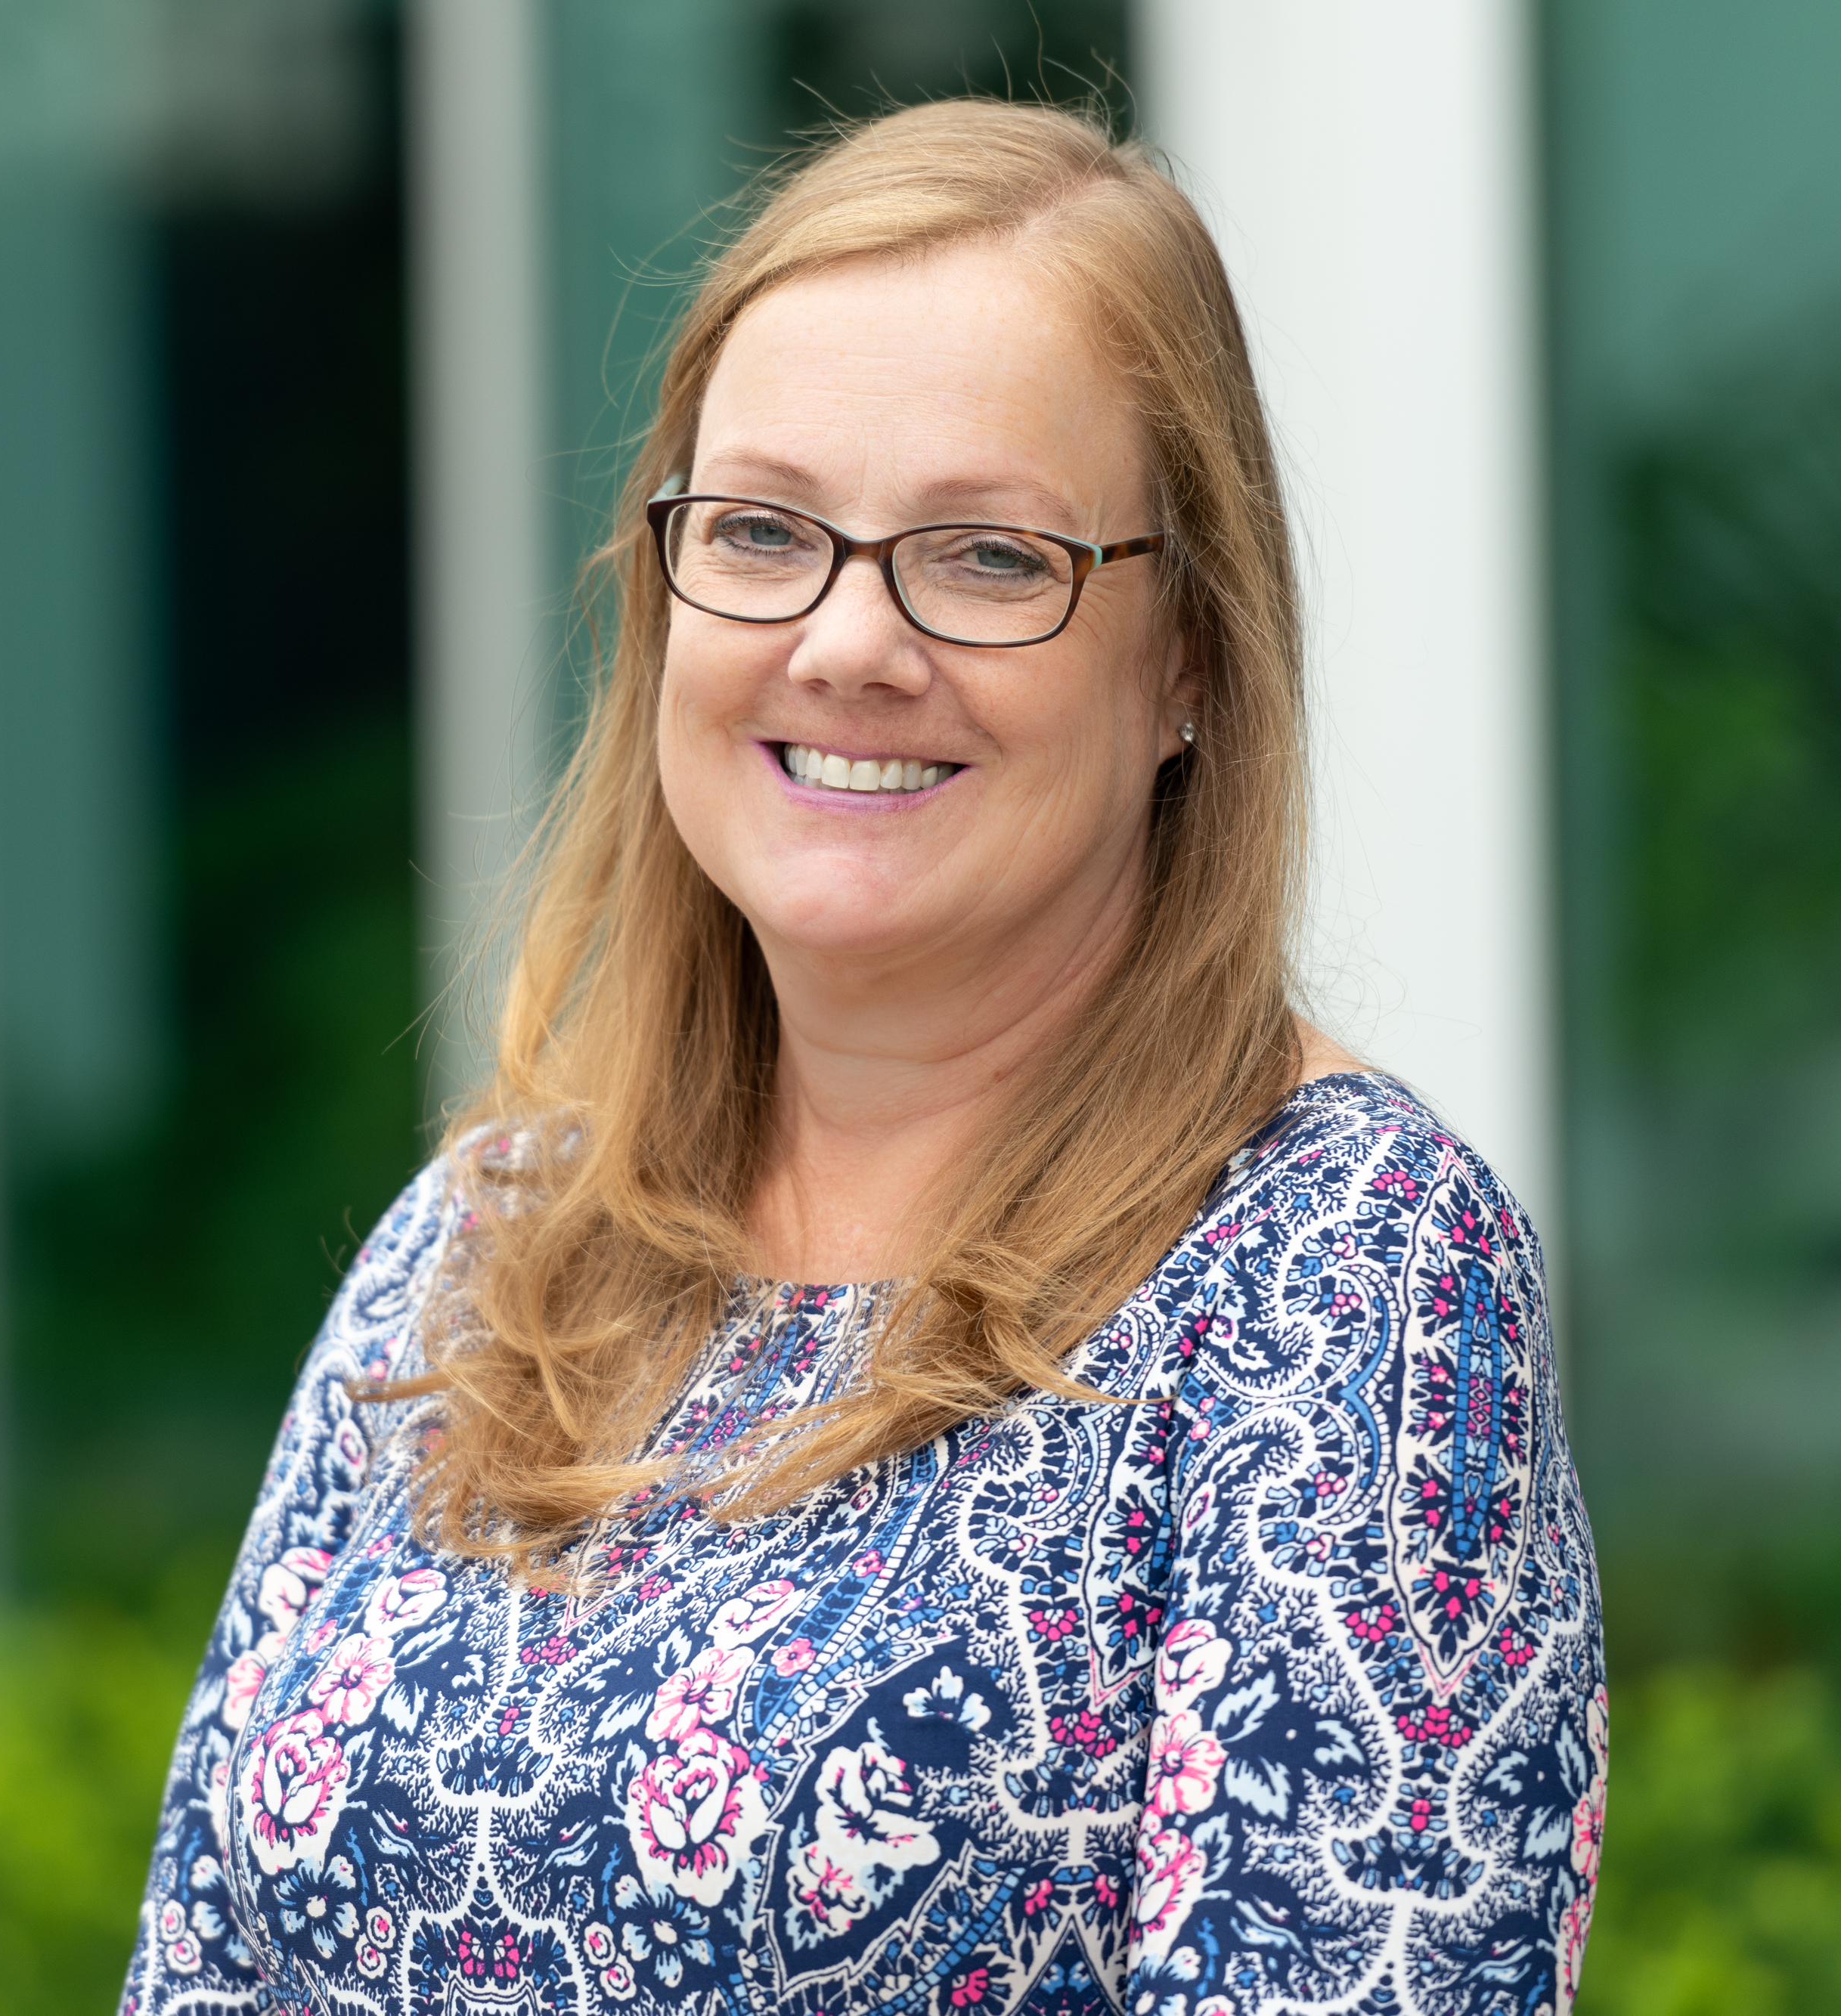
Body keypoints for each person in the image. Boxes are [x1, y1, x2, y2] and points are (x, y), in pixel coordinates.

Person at [122, 99, 1605, 2016]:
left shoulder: (1345, 1280)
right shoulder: (489, 1242)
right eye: (758, 530)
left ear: (1187, 665)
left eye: (986, 557)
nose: (844, 639)